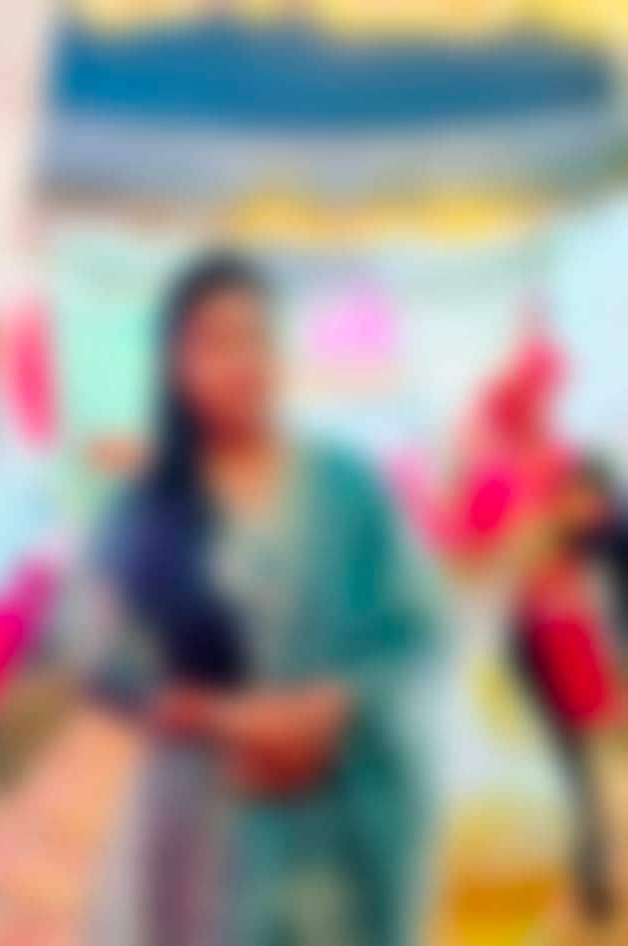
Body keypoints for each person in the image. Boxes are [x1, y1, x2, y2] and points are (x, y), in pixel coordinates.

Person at [88, 253, 441, 946]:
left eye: (256, 337)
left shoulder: (347, 487)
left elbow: (415, 624)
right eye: (214, 342)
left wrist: (331, 706)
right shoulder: (148, 508)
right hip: (209, 814)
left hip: (343, 805)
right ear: (174, 365)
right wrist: (224, 717)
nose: (241, 362)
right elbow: (102, 659)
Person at [511, 458, 621, 921]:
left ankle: (598, 892)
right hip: (566, 701)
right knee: (589, 797)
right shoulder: (545, 555)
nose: (586, 510)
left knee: (601, 796)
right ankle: (595, 894)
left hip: (596, 695)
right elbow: (532, 640)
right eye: (578, 499)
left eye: (593, 501)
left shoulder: (601, 551)